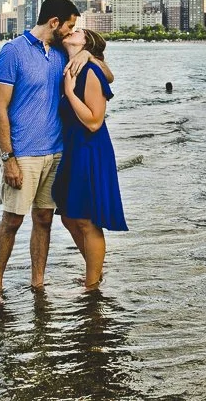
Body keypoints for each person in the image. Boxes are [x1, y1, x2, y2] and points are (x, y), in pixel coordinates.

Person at [0, 0, 90, 303]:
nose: (71, 31)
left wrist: (86, 54)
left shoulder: (60, 52)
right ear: (54, 22)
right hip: (23, 154)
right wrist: (8, 158)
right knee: (12, 220)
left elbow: (99, 61)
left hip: (56, 152)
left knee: (44, 219)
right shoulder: (13, 52)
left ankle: (38, 283)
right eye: (69, 25)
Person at [53, 29, 127, 293]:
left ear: (86, 43)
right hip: (72, 149)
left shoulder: (90, 71)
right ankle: (94, 271)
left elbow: (95, 121)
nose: (71, 31)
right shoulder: (69, 65)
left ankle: (92, 285)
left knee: (86, 220)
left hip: (90, 149)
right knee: (68, 217)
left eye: (78, 32)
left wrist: (70, 93)